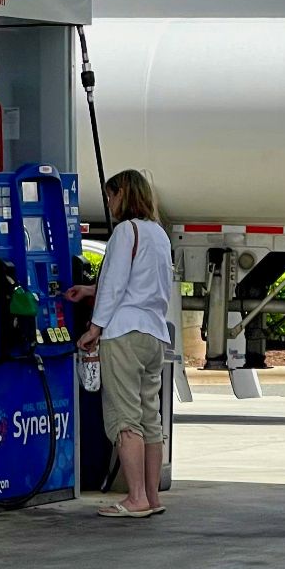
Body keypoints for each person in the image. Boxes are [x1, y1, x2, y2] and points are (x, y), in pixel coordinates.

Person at [64, 169, 172, 518]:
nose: (109, 202)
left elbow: (115, 284)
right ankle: (152, 498)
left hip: (124, 333)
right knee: (149, 418)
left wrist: (94, 328)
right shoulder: (158, 234)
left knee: (125, 419)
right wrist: (91, 290)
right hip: (153, 334)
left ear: (123, 193)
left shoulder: (126, 231)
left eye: (111, 195)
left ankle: (135, 498)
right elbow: (142, 283)